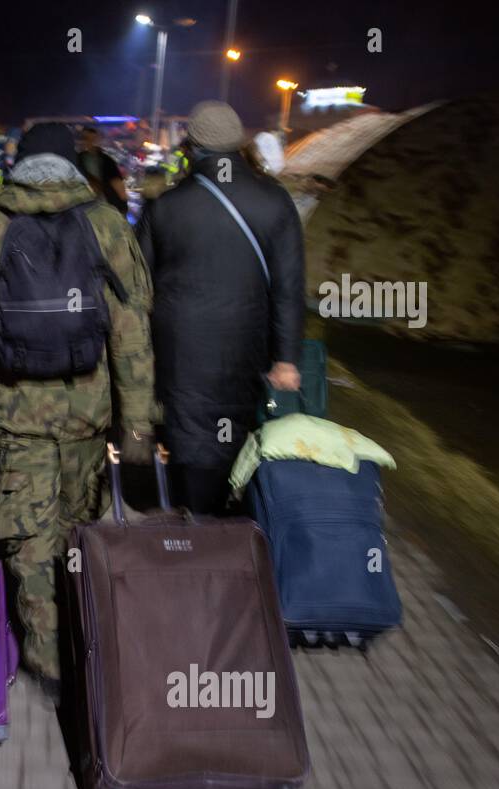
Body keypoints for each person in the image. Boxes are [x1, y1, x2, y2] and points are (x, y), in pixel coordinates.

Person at [0, 123, 158, 699]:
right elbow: (132, 334)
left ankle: (48, 659)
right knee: (80, 526)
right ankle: (89, 640)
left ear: (19, 164)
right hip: (88, 415)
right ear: (73, 164)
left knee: (28, 536)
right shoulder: (105, 224)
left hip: (18, 416)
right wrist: (137, 423)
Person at [135, 101, 304, 515]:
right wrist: (286, 358)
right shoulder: (275, 202)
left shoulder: (165, 207)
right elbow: (288, 286)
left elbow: (138, 286)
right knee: (235, 423)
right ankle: (224, 511)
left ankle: (191, 512)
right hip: (246, 342)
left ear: (191, 147)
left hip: (179, 344)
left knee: (187, 424)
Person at [77, 126, 128, 216]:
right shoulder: (78, 160)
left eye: (93, 139)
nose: (90, 143)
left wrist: (123, 207)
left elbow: (118, 185)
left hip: (103, 208)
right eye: (86, 139)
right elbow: (119, 187)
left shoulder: (107, 161)